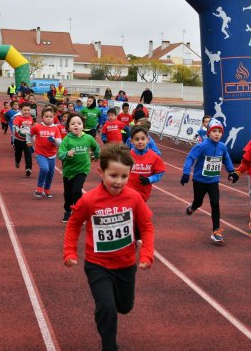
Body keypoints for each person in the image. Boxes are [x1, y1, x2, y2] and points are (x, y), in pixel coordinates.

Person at [63, 143, 154, 351]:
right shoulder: (89, 200)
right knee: (107, 307)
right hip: (98, 265)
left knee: (124, 307)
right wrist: (69, 252)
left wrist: (147, 254)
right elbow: (74, 225)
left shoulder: (134, 198)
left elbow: (147, 227)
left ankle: (105, 312)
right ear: (101, 172)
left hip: (126, 264)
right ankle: (109, 345)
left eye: (124, 176)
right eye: (113, 175)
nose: (119, 181)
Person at [181, 119, 235, 243]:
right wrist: (186, 172)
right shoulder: (201, 146)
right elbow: (190, 158)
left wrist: (231, 171)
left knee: (215, 203)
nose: (217, 134)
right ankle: (193, 206)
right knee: (198, 202)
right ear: (208, 133)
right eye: (214, 131)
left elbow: (226, 159)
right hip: (199, 180)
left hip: (213, 181)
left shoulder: (222, 147)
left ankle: (216, 230)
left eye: (219, 132)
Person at [57, 113, 101, 222]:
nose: (76, 125)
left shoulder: (88, 138)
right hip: (68, 171)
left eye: (79, 123)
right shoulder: (67, 140)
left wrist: (97, 155)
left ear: (83, 126)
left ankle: (78, 212)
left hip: (82, 169)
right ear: (68, 127)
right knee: (68, 194)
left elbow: (96, 147)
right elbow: (60, 154)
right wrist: (67, 154)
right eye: (73, 124)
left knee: (76, 191)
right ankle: (67, 210)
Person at [30, 106, 62, 199]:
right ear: (42, 117)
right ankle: (39, 188)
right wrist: (29, 143)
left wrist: (54, 140)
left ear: (53, 117)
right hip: (40, 153)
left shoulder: (56, 129)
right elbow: (30, 134)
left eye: (50, 117)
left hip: (52, 155)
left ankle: (47, 189)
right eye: (46, 116)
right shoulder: (37, 127)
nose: (48, 118)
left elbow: (60, 142)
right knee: (44, 169)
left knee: (50, 173)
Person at [127, 126, 165, 201]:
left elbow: (160, 172)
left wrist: (149, 179)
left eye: (143, 139)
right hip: (128, 191)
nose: (140, 141)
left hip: (144, 193)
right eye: (137, 139)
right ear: (132, 141)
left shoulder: (154, 157)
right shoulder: (127, 155)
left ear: (148, 140)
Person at [13, 102, 34, 177]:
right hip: (18, 140)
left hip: (27, 140)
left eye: (28, 110)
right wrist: (19, 131)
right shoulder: (18, 118)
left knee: (28, 154)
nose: (27, 112)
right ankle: (17, 161)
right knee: (18, 153)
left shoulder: (31, 118)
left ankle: (28, 168)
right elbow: (15, 126)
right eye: (25, 110)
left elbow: (32, 128)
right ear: (21, 110)